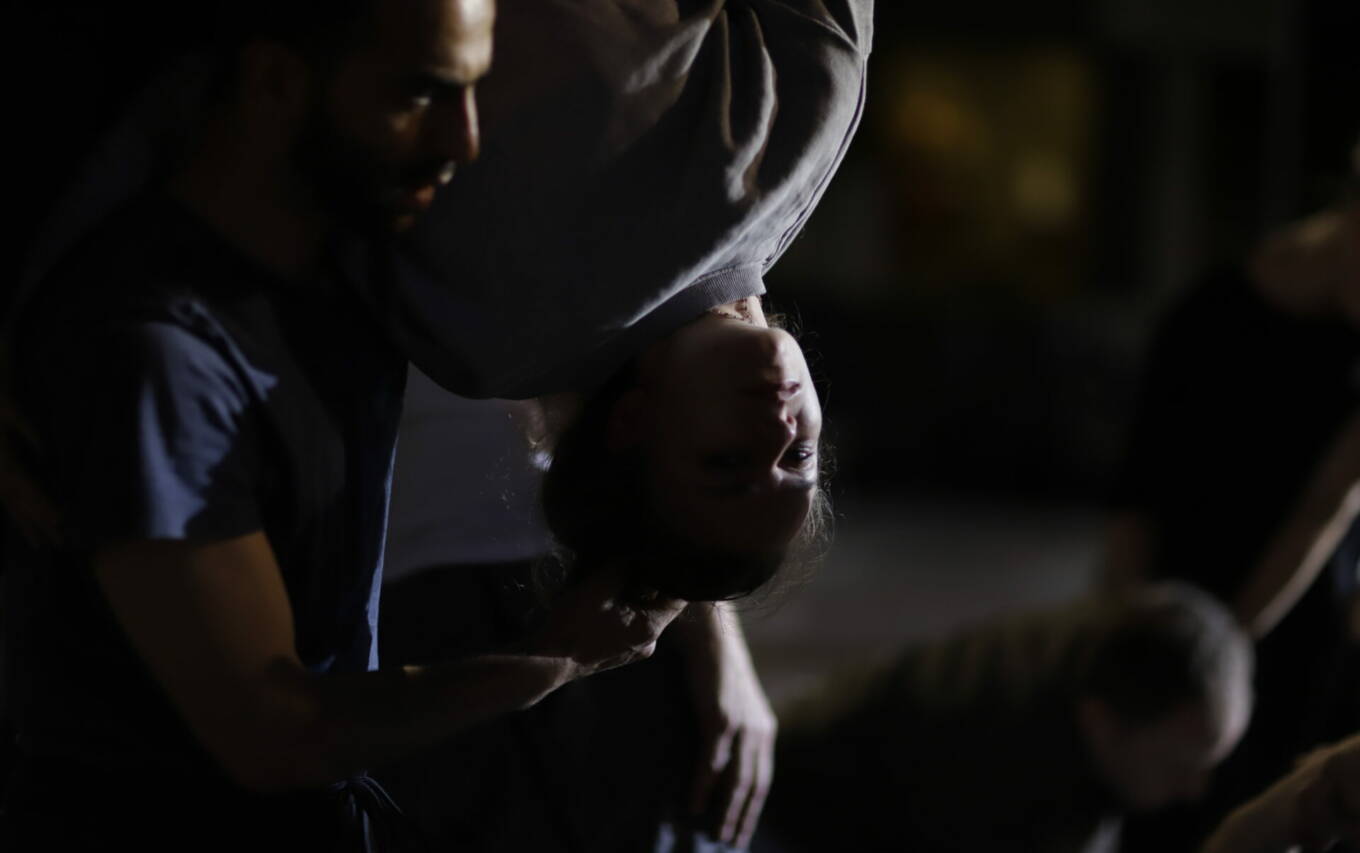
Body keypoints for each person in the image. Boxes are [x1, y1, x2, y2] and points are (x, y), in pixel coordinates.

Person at [0, 1, 691, 850]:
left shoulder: (348, 268)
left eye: (473, 91)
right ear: (274, 82)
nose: (464, 140)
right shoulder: (153, 352)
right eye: (421, 94)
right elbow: (274, 730)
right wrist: (557, 659)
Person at [1106, 181, 1360, 849]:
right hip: (1177, 592)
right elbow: (1139, 493)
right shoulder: (1206, 315)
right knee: (1155, 809)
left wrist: (1225, 649)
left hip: (1291, 622)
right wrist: (1125, 632)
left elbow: (1324, 510)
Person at [755, 583, 1254, 853]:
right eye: (1179, 765)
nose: (1196, 789)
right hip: (783, 818)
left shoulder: (1107, 664)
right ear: (1101, 724)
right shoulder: (1002, 760)